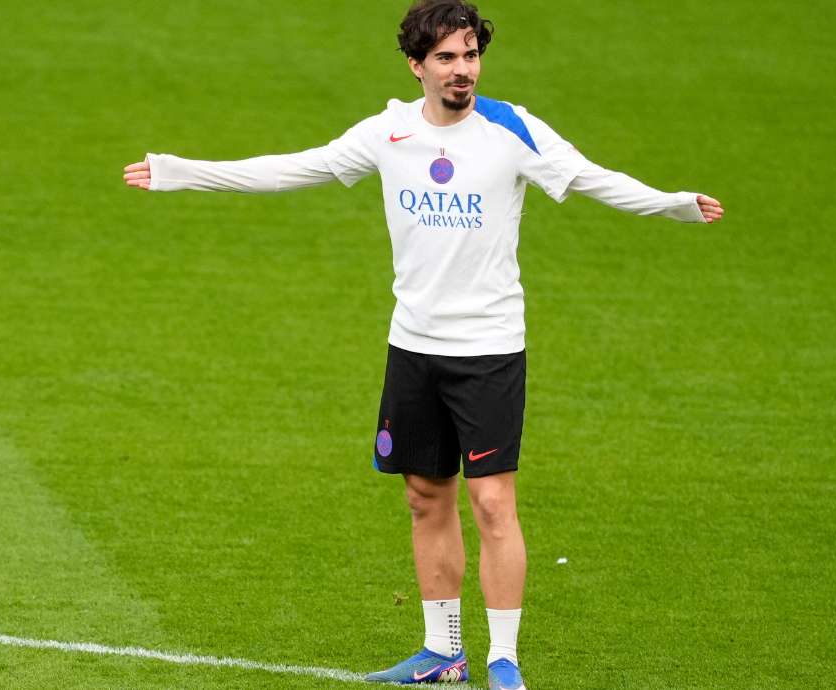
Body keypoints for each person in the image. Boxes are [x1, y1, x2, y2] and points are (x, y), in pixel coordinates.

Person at [124, 1, 723, 687]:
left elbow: (592, 178)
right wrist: (179, 171)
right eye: (446, 58)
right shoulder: (389, 133)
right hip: (413, 347)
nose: (462, 69)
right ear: (417, 65)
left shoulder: (511, 130)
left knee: (492, 502)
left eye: (471, 55)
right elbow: (294, 169)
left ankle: (503, 659)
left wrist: (672, 203)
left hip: (489, 349)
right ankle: (444, 654)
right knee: (424, 496)